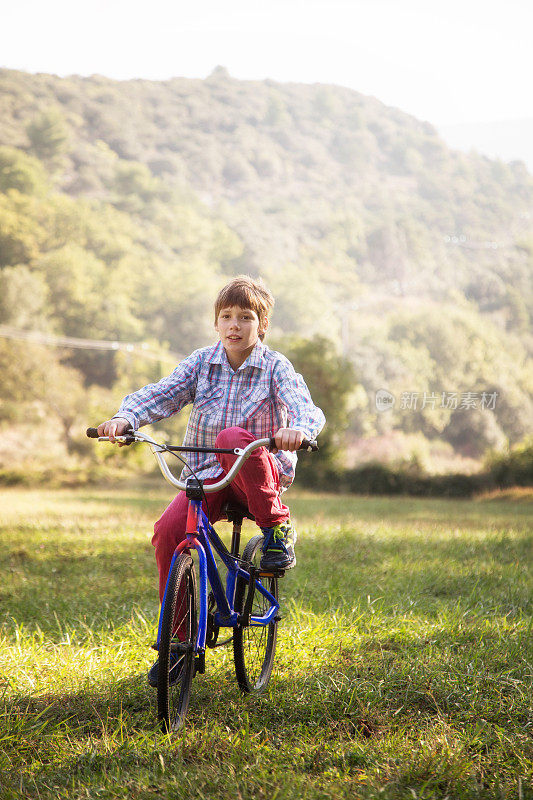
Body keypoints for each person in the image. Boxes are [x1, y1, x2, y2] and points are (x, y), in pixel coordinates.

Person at [97, 275, 325, 684]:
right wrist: (125, 418)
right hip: (210, 476)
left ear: (263, 325)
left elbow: (305, 408)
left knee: (233, 438)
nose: (235, 325)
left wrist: (300, 431)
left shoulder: (275, 367)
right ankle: (181, 645)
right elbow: (163, 393)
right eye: (226, 316)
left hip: (258, 472)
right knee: (168, 533)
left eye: (246, 317)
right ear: (216, 324)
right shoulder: (202, 362)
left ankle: (276, 528)